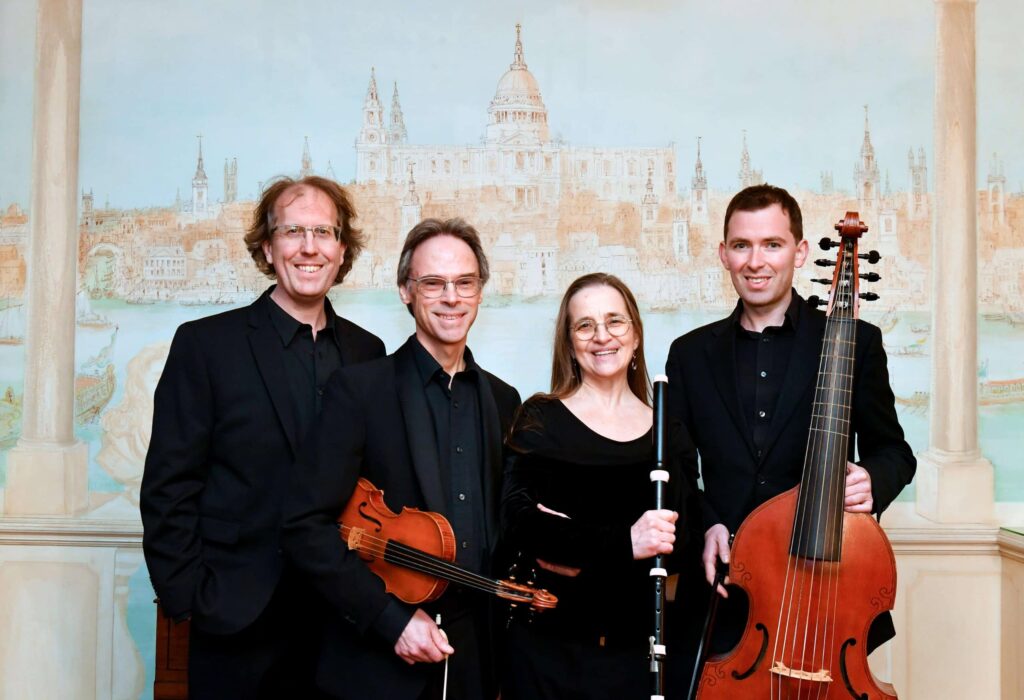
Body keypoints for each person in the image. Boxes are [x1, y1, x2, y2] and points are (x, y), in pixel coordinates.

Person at [140, 176, 386, 699]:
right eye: (292, 230)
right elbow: (168, 487)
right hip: (235, 619)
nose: (309, 246)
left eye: (323, 231)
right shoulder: (205, 346)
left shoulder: (369, 353)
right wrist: (191, 600)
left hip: (341, 624)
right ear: (267, 247)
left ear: (342, 250)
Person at [664, 184, 916, 690]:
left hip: (823, 597)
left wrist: (872, 479)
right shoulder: (689, 354)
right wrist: (707, 526)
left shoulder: (855, 344)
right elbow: (673, 470)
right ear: (723, 254)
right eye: (741, 246)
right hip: (724, 593)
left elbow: (896, 453)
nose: (756, 262)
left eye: (772, 245)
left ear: (800, 252)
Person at [282, 218, 521, 700]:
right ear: (405, 291)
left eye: (464, 283)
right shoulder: (361, 390)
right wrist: (389, 621)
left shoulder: (504, 400)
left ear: (479, 292)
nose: (451, 297)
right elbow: (303, 526)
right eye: (432, 283)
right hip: (377, 660)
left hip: (477, 655)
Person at [500, 272, 698, 700]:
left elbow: (682, 543)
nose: (601, 336)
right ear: (570, 343)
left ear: (636, 334)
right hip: (547, 654)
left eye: (615, 321)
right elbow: (521, 526)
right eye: (584, 325)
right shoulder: (539, 418)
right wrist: (627, 542)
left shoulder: (669, 431)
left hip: (638, 657)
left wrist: (575, 547)